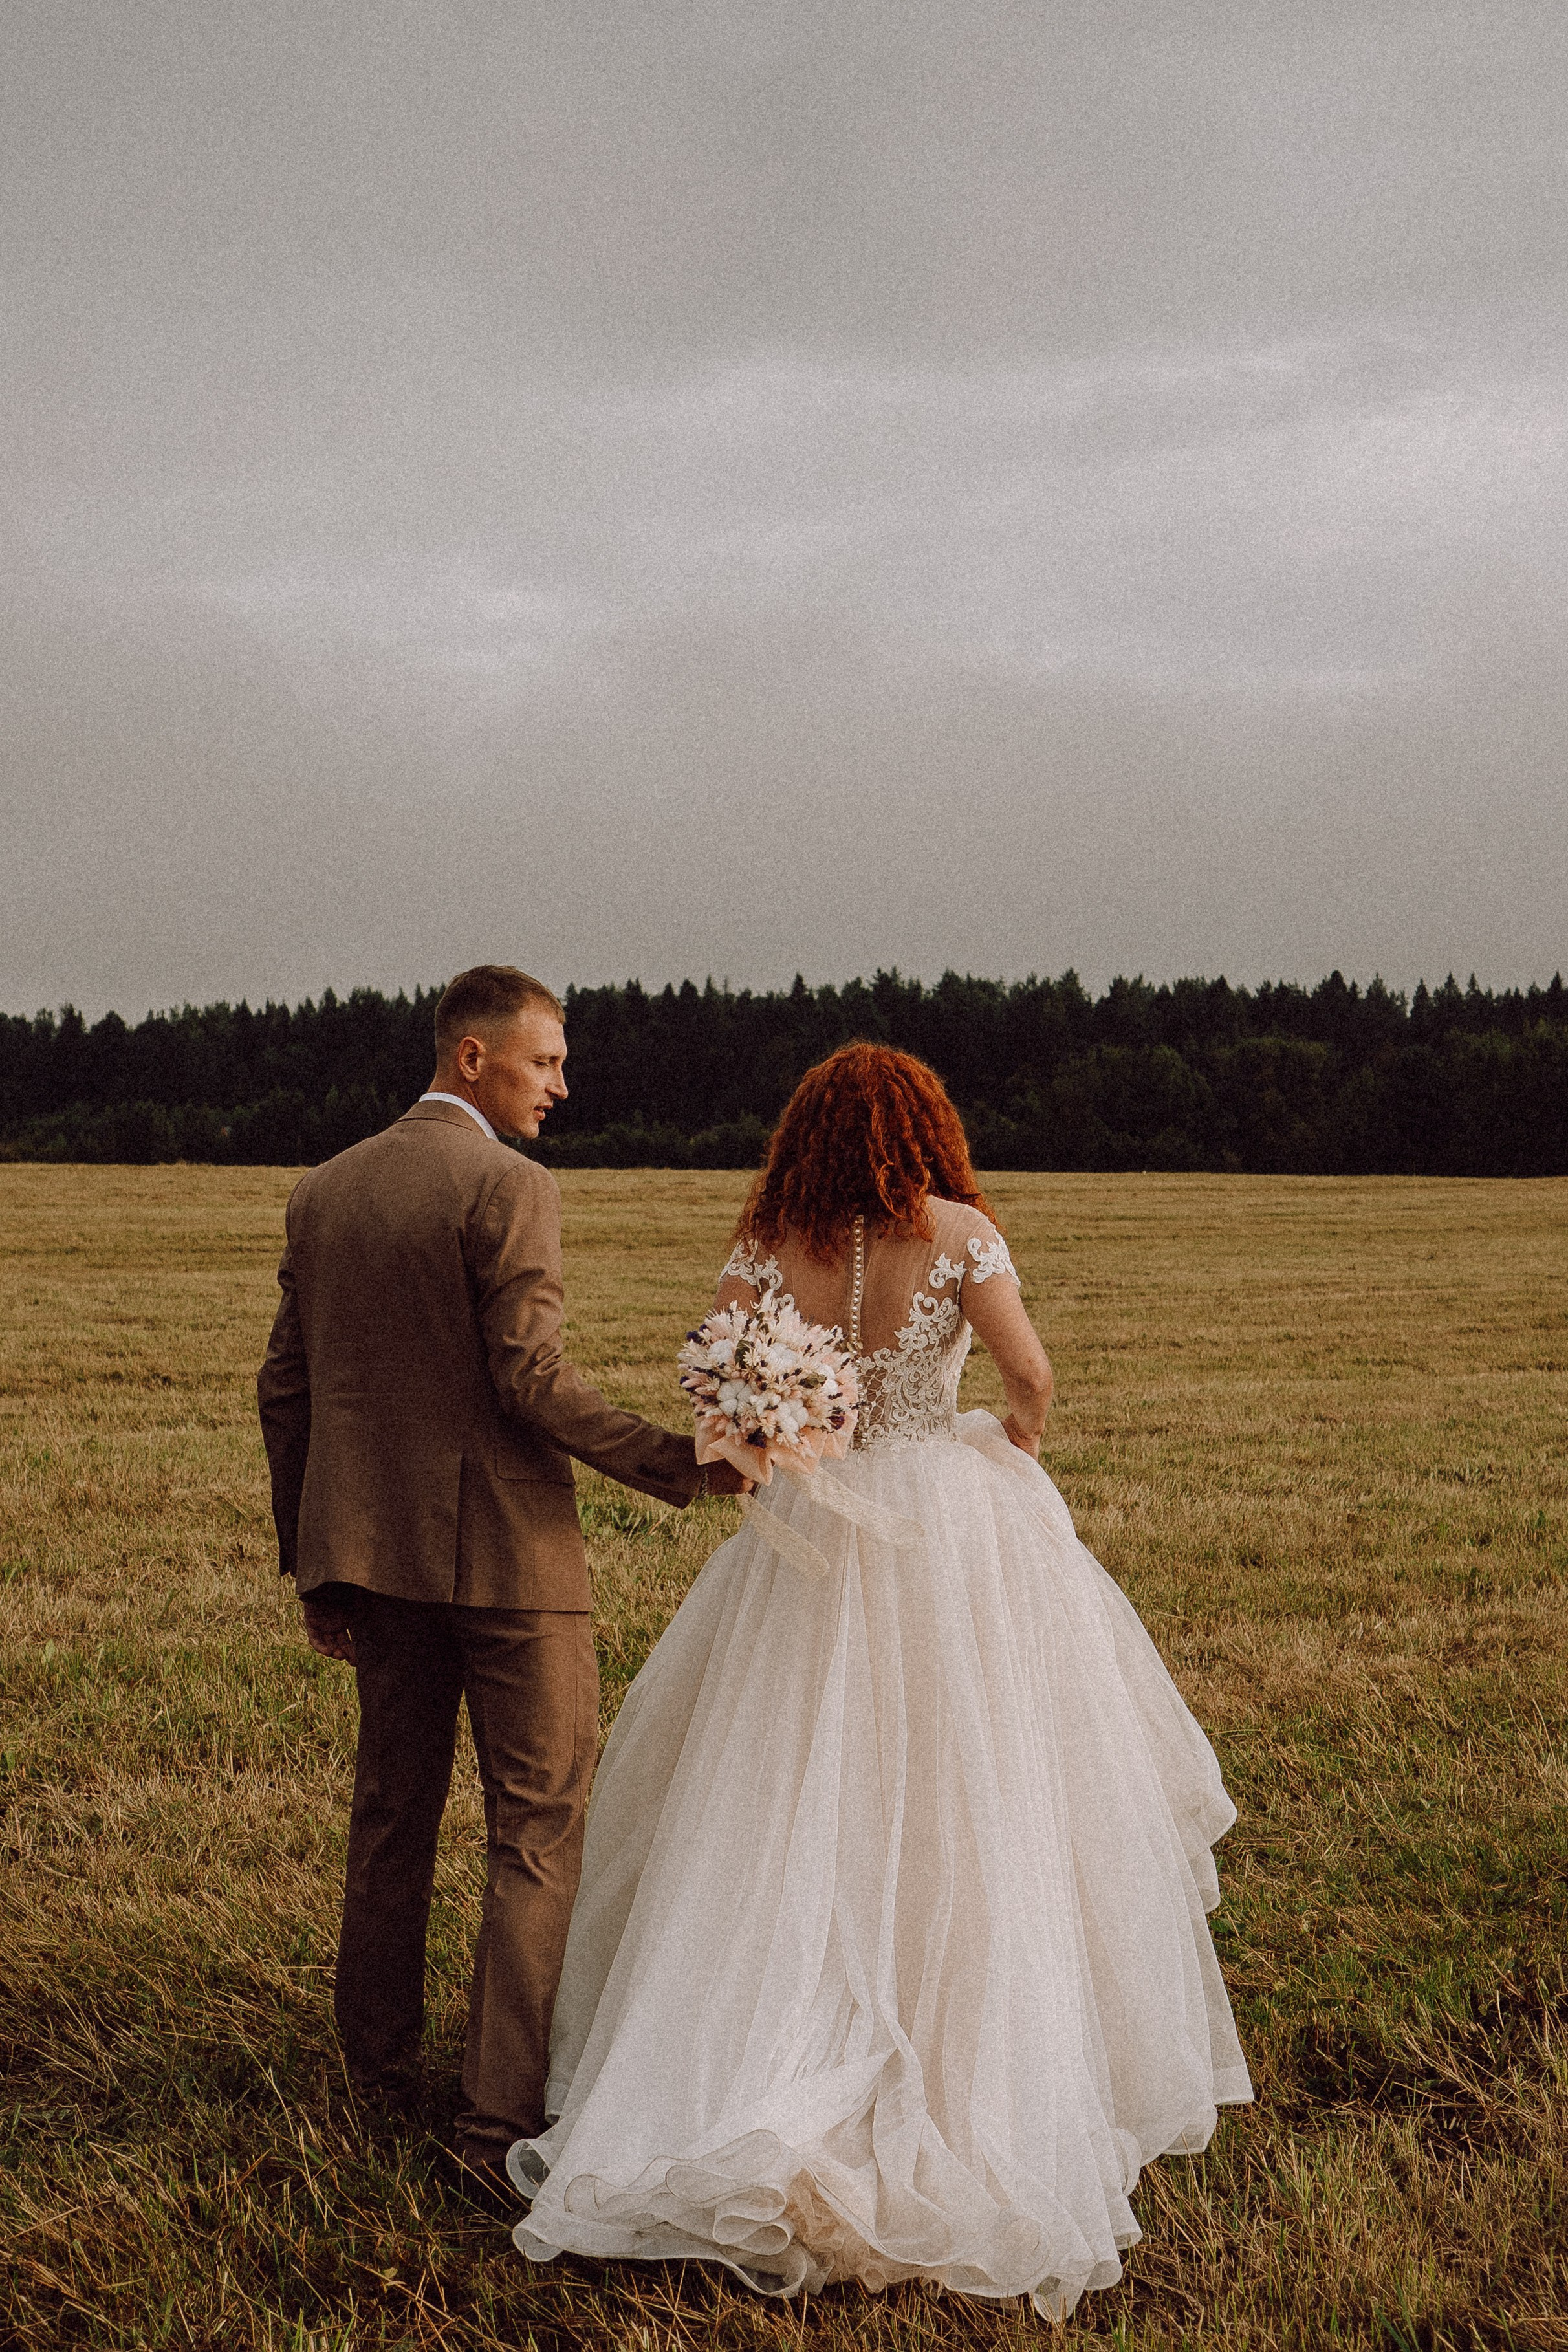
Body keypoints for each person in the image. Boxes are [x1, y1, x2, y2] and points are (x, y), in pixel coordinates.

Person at [507, 1042, 1252, 2320]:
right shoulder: (960, 1232)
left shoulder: (771, 1237)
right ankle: (963, 2070)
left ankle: (739, 2063)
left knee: (787, 1784)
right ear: (925, 1129)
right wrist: (1004, 1445)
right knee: (974, 1782)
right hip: (945, 1527)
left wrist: (780, 1439)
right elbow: (1032, 1374)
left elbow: (734, 1396)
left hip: (817, 1523)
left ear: (808, 1134)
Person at [256, 963, 749, 2200]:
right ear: (473, 1058)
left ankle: (374, 2083)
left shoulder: (324, 1190)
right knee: (537, 1831)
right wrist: (678, 1458)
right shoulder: (508, 1184)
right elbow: (529, 1379)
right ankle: (492, 2130)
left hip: (375, 1562)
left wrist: (316, 1563)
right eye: (545, 1064)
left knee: (391, 1820)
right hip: (513, 1565)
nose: (561, 1089)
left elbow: (285, 1390)